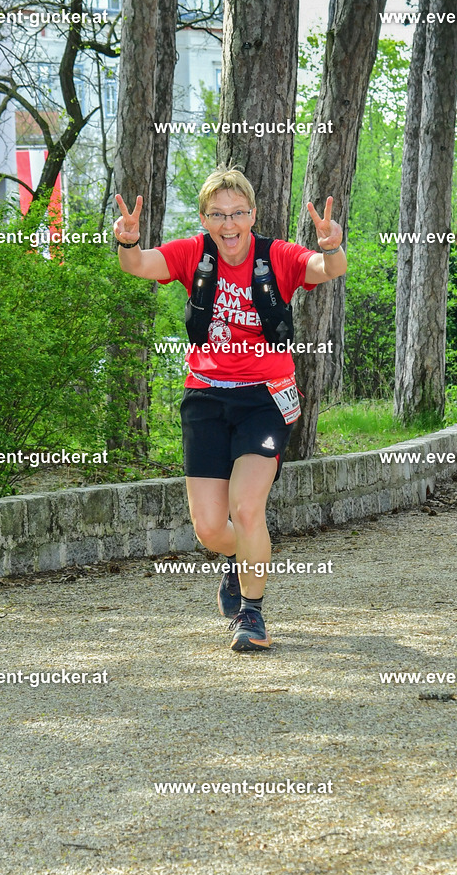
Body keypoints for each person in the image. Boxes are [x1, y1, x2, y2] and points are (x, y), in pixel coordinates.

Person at [113, 166, 347, 652]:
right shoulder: (193, 255)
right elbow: (137, 266)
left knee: (246, 507)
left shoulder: (276, 256)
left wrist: (330, 247)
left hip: (266, 397)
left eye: (237, 213)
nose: (229, 224)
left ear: (252, 215)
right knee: (208, 528)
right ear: (204, 219)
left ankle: (251, 613)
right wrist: (128, 242)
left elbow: (328, 270)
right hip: (205, 396)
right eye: (217, 215)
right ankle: (241, 561)